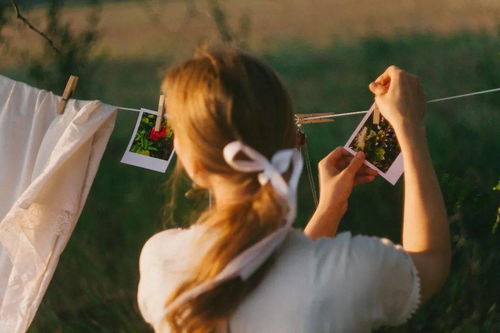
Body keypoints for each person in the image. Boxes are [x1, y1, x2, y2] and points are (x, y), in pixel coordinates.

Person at [137, 48, 450, 333]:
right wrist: (408, 125)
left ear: (194, 164)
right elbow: (430, 263)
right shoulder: (348, 271)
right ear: (291, 140)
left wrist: (329, 210)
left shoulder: (162, 262)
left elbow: (266, 270)